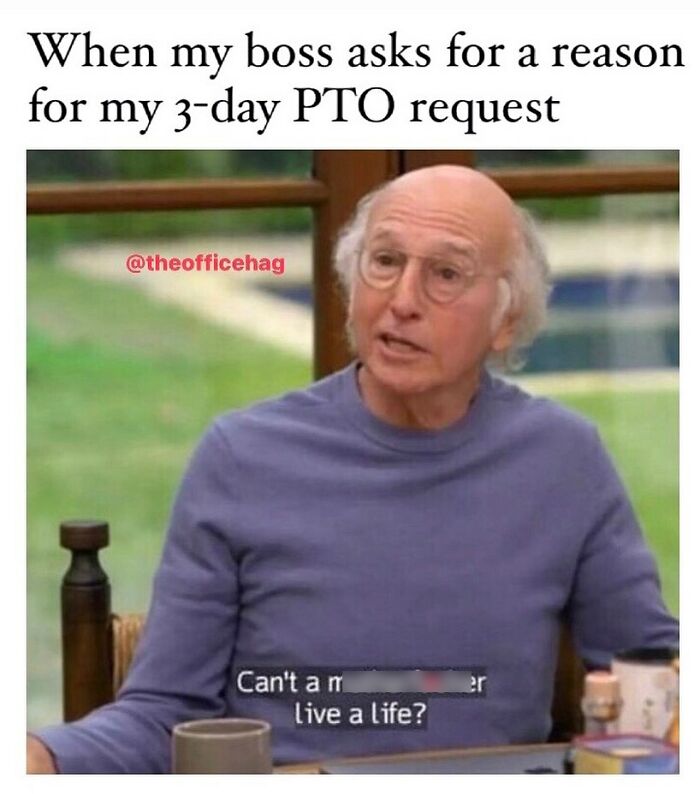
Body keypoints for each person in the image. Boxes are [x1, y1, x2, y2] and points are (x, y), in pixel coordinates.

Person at [27, 165, 678, 773]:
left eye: (446, 274)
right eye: (385, 262)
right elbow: (164, 716)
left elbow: (654, 679)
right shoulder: (243, 456)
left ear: (505, 320)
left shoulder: (563, 460)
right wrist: (39, 757)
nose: (403, 299)